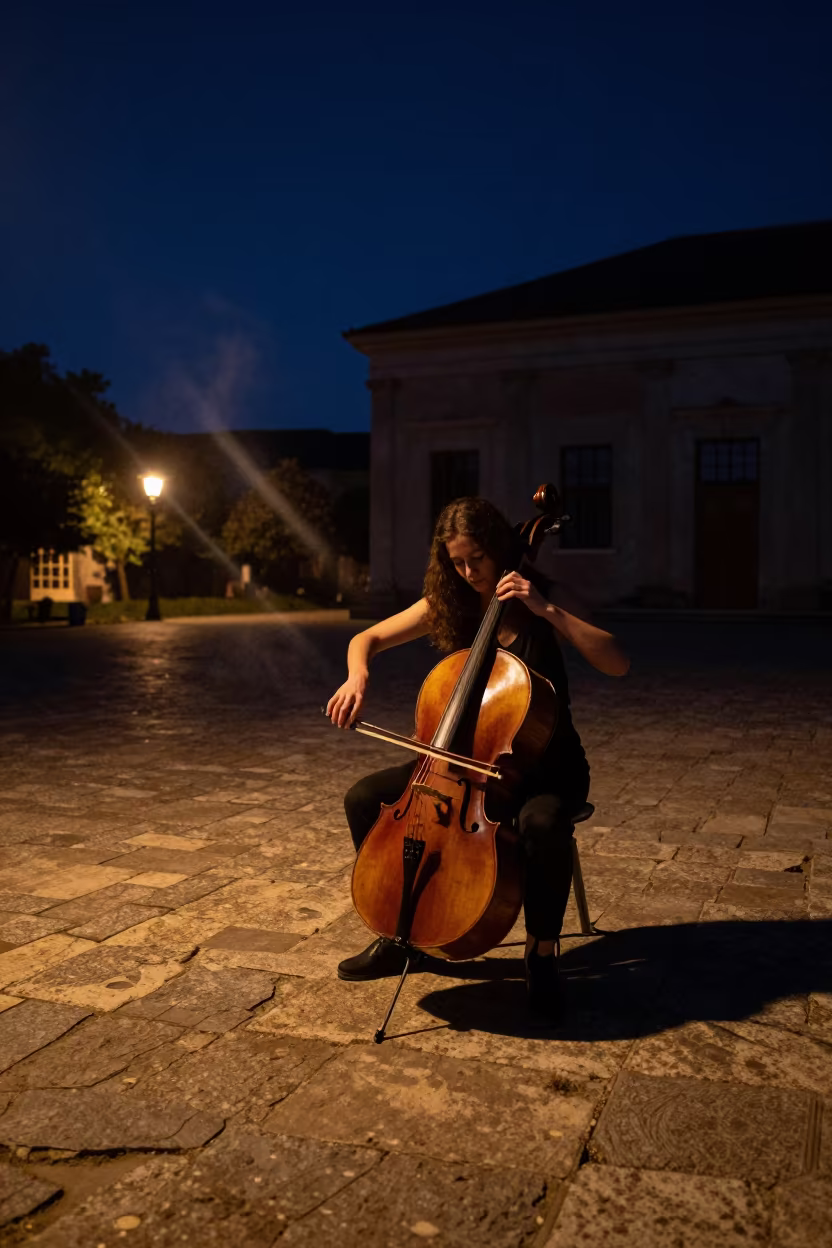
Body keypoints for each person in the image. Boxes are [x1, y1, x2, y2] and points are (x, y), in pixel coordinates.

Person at [325, 496, 629, 1019]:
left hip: (544, 765)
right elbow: (366, 637)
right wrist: (358, 674)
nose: (468, 573)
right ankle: (404, 934)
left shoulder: (543, 596)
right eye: (456, 562)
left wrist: (546, 610)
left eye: (477, 561)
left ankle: (542, 954)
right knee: (366, 798)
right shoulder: (453, 599)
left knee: (542, 823)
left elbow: (617, 662)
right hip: (462, 764)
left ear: (500, 550)